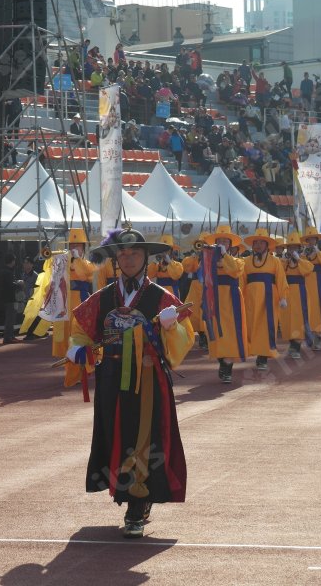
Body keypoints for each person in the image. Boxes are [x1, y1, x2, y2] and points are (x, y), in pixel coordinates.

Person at [66, 226, 194, 538]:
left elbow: (184, 341)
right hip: (111, 379)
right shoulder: (103, 297)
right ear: (116, 259)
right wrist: (79, 350)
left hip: (148, 380)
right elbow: (82, 330)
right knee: (117, 434)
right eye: (122, 253)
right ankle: (130, 496)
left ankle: (138, 501)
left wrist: (170, 326)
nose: (128, 258)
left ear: (146, 257)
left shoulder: (161, 298)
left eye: (135, 253)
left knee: (144, 439)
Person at [200, 225, 247, 383]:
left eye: (225, 242)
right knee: (214, 330)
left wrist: (225, 255)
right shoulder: (208, 261)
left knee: (230, 330)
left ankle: (228, 365)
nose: (221, 244)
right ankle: (222, 360)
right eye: (219, 241)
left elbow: (234, 271)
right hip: (214, 298)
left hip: (230, 298)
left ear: (230, 245)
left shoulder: (238, 261)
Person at [51, 228, 97, 387]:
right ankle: (70, 370)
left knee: (80, 335)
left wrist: (77, 260)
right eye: (72, 246)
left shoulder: (88, 264)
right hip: (65, 303)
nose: (74, 249)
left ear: (83, 248)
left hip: (81, 303)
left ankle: (82, 369)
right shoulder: (62, 261)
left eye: (78, 246)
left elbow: (87, 274)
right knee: (65, 338)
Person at [243, 228, 288, 371]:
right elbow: (241, 281)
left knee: (265, 326)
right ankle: (251, 349)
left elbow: (281, 279)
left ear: (267, 245)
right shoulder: (246, 261)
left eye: (261, 243)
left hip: (269, 296)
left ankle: (262, 357)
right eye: (255, 243)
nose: (258, 245)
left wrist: (283, 297)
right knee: (250, 325)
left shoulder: (275, 261)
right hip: (250, 297)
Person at [279, 230, 314, 360]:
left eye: (295, 247)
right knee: (287, 319)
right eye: (290, 247)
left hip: (300, 293)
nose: (292, 249)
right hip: (287, 292)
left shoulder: (303, 260)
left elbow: (308, 270)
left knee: (299, 318)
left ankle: (296, 347)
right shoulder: (283, 261)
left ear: (299, 248)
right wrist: (286, 261)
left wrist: (298, 259)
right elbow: (279, 273)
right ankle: (292, 344)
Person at [0, 253, 24, 344]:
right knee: (10, 319)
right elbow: (10, 285)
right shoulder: (8, 272)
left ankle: (10, 336)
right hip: (10, 298)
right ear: (12, 261)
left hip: (7, 298)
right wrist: (19, 283)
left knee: (10, 318)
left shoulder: (4, 271)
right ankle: (8, 337)